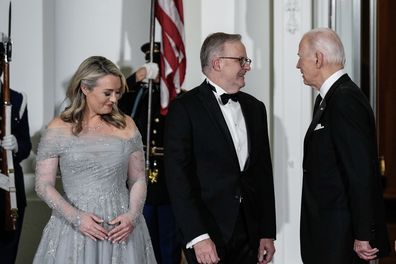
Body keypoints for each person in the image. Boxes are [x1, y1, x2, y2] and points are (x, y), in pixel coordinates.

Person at [164, 32, 276, 264]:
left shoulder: (256, 108)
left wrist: (267, 231)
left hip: (250, 230)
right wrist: (198, 236)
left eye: (247, 61)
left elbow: (262, 173)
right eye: (241, 60)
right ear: (218, 63)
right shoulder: (184, 109)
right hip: (207, 230)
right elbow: (177, 179)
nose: (247, 66)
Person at [33, 56, 156, 263]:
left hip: (121, 229)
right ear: (85, 88)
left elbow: (138, 179)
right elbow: (43, 185)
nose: (115, 99)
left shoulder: (127, 125)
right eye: (107, 93)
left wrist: (132, 216)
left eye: (118, 92)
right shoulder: (58, 128)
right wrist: (77, 218)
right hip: (75, 228)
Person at [297, 28, 390, 263]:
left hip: (341, 239)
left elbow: (359, 172)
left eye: (301, 56)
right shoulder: (330, 99)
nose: (298, 65)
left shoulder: (345, 100)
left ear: (318, 58)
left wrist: (363, 235)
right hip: (328, 235)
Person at [118, 42, 182, 264]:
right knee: (141, 239)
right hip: (138, 173)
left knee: (168, 240)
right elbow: (113, 104)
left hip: (167, 176)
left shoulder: (177, 97)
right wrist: (135, 79)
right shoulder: (136, 95)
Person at [0, 41, 32, 264]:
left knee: (7, 250)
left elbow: (26, 146)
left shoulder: (17, 99)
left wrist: (17, 145)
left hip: (10, 186)